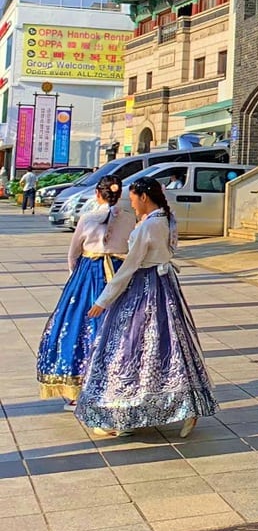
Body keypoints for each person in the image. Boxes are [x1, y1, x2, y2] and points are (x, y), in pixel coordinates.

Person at [75, 177, 217, 438]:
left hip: (144, 289)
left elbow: (128, 268)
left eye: (133, 200)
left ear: (143, 197)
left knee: (130, 347)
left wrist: (102, 301)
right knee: (170, 346)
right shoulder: (166, 219)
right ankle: (186, 406)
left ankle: (124, 415)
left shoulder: (147, 227)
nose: (132, 206)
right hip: (165, 286)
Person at [36, 177, 135, 407]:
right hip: (119, 273)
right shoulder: (130, 218)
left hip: (89, 273)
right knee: (118, 326)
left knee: (79, 326)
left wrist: (75, 278)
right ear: (119, 195)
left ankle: (78, 387)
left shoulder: (88, 218)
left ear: (98, 195)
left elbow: (73, 253)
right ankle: (114, 384)